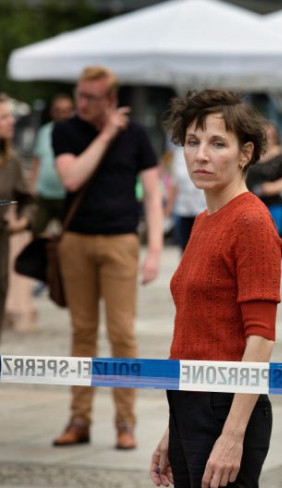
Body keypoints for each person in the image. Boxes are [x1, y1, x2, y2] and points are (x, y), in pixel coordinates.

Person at [150, 89, 282, 488]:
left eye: (217, 143)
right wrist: (173, 427)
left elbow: (261, 339)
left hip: (226, 406)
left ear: (245, 154)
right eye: (192, 142)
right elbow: (197, 330)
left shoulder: (251, 221)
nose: (201, 155)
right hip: (188, 402)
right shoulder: (205, 220)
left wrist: (232, 435)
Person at [50, 66, 163, 450]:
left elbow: (152, 194)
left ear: (112, 99)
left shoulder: (137, 135)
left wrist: (154, 251)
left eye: (92, 97)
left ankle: (125, 422)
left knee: (122, 333)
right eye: (80, 94)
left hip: (120, 242)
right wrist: (106, 134)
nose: (83, 103)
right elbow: (71, 178)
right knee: (82, 331)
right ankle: (79, 418)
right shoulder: (65, 130)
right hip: (76, 241)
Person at [0, 94, 35, 332]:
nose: (11, 121)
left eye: (10, 116)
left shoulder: (10, 162)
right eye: (4, 117)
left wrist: (22, 222)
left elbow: (26, 199)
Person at [30, 93, 74, 236]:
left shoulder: (77, 134)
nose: (62, 114)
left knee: (69, 235)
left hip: (66, 195)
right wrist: (33, 185)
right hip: (44, 193)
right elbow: (37, 159)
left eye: (66, 110)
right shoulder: (45, 131)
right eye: (59, 110)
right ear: (52, 112)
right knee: (35, 231)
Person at [245, 123, 282, 237]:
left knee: (270, 236)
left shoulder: (280, 156)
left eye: (269, 137)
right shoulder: (252, 154)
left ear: (275, 138)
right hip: (251, 204)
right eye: (263, 136)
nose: (266, 140)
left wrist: (273, 187)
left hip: (273, 204)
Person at [164, 143, 206, 253]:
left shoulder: (205, 152)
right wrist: (168, 208)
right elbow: (174, 184)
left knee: (202, 249)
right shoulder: (178, 155)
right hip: (184, 210)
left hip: (203, 209)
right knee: (186, 249)